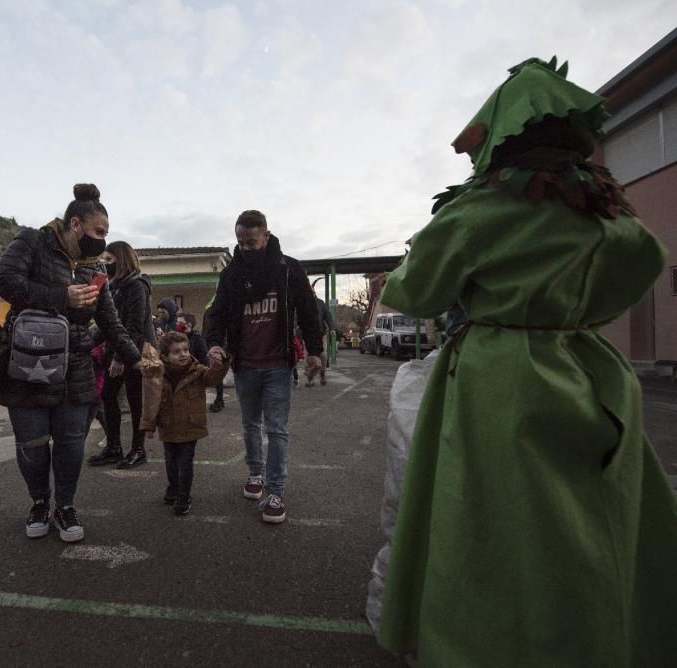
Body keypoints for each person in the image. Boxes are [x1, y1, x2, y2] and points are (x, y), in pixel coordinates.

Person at [376, 58, 677, 665]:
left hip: (500, 374)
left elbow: (413, 292)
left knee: (491, 523)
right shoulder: (607, 210)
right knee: (592, 520)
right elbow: (645, 262)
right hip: (592, 368)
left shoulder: (480, 210)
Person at [0, 184, 142, 543]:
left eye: (106, 233)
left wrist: (136, 359)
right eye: (99, 232)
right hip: (28, 360)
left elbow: (109, 320)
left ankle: (66, 506)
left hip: (76, 364)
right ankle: (40, 503)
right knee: (31, 442)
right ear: (75, 224)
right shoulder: (33, 241)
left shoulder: (94, 269)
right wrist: (60, 296)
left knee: (72, 441)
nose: (103, 241)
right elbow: (5, 280)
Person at [203, 209, 323, 523]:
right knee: (249, 425)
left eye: (251, 242)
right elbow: (215, 313)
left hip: (278, 365)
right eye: (240, 242)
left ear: (266, 236)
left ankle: (276, 492)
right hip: (245, 364)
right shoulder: (231, 274)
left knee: (277, 429)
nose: (245, 248)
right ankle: (256, 473)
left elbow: (310, 312)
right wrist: (214, 343)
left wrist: (315, 351)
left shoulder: (288, 270)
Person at [141, 331, 230, 515]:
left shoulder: (198, 371)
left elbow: (213, 377)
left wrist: (220, 363)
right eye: (176, 352)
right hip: (168, 426)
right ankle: (173, 487)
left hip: (190, 426)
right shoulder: (158, 374)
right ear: (165, 356)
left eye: (186, 349)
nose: (183, 354)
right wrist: (149, 425)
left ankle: (183, 496)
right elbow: (151, 400)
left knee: (185, 463)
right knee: (170, 462)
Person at [86, 240, 155, 469]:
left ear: (122, 259)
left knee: (136, 402)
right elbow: (107, 325)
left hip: (137, 351)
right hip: (119, 349)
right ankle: (114, 447)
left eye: (109, 260)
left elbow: (134, 326)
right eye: (103, 260)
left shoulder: (137, 286)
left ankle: (138, 449)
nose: (105, 265)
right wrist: (84, 343)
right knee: (107, 395)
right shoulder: (113, 288)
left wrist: (119, 358)